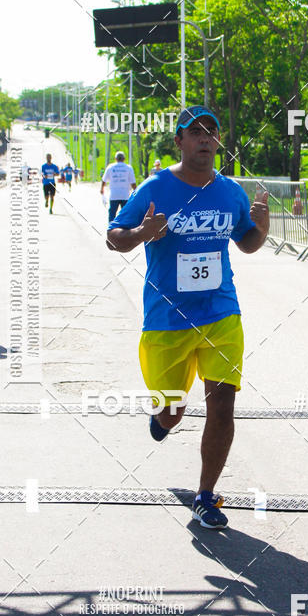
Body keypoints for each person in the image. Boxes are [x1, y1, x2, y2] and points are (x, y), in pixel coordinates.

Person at [106, 105, 269, 529]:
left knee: (223, 405)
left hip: (221, 313)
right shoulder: (156, 187)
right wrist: (142, 233)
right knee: (173, 412)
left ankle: (206, 495)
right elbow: (113, 237)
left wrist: (262, 228)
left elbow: (247, 242)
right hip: (167, 320)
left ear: (218, 141)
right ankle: (163, 418)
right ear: (179, 141)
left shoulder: (230, 192)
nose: (204, 138)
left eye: (210, 132)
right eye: (194, 132)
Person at [101, 152, 136, 222]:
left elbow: (104, 180)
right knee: (125, 213)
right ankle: (124, 226)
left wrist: (102, 189)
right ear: (124, 159)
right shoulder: (128, 168)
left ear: (115, 159)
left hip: (114, 195)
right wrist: (136, 192)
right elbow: (133, 183)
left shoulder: (110, 167)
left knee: (112, 212)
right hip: (125, 195)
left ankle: (111, 226)